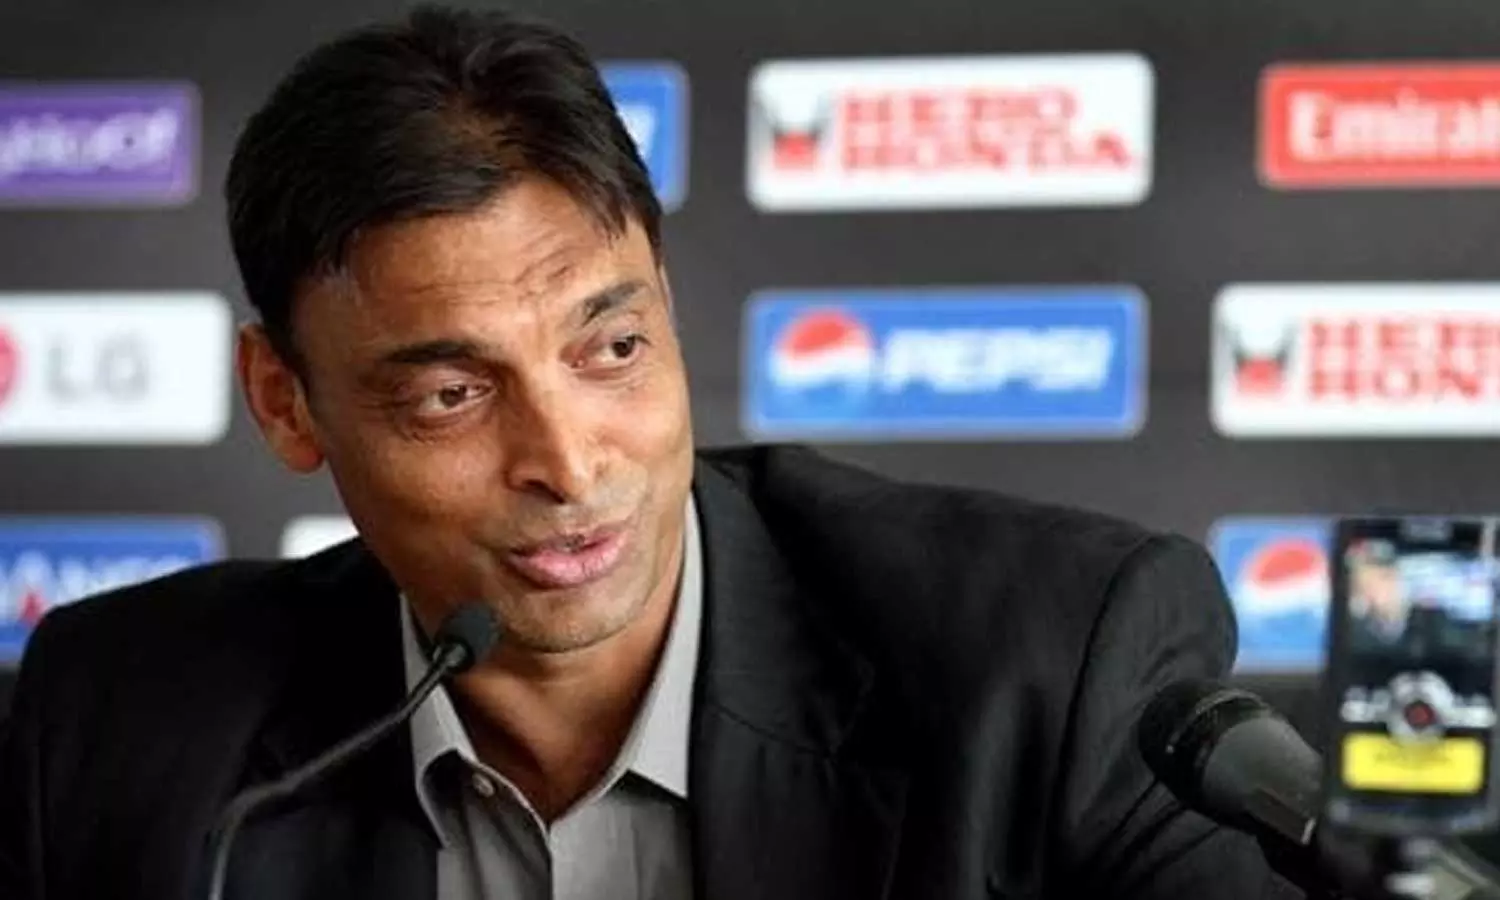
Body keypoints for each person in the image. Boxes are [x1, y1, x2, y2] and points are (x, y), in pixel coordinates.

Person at [0, 6, 1299, 899]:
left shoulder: (1046, 668)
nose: (568, 464)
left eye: (612, 349)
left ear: (666, 307)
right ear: (284, 402)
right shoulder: (123, 728)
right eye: (453, 395)